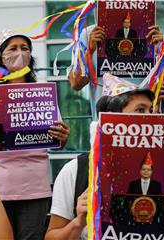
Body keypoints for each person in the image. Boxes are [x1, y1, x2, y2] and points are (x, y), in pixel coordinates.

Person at [0, 29, 69, 240]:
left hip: (34, 185)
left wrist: (62, 137)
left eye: (25, 48)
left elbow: (56, 140)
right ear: (1, 56)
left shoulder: (43, 95)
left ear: (31, 57)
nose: (19, 53)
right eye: (13, 48)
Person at [45, 74, 154, 240]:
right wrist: (79, 221)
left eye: (151, 111)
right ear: (111, 119)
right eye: (140, 110)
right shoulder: (76, 171)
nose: (150, 118)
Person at [67, 20, 162, 118]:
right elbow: (76, 83)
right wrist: (89, 52)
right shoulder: (89, 34)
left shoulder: (151, 33)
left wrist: (160, 51)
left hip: (145, 122)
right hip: (106, 123)